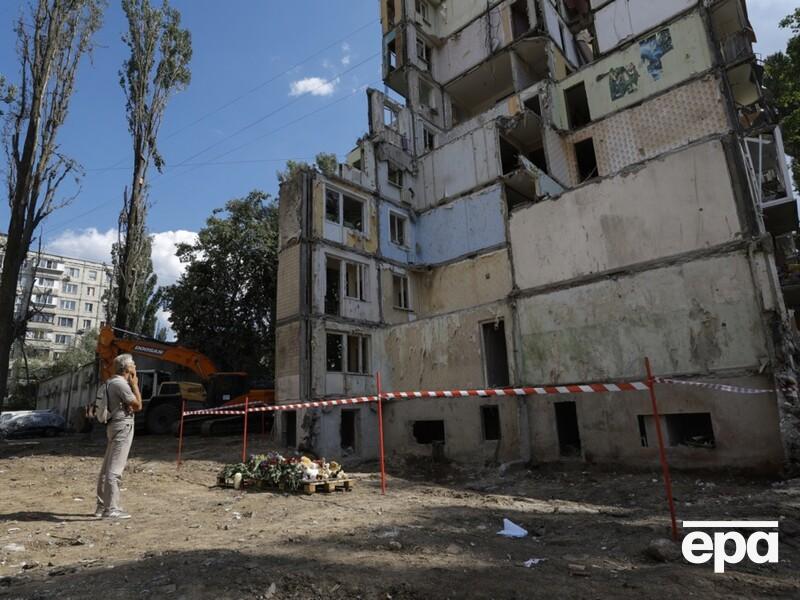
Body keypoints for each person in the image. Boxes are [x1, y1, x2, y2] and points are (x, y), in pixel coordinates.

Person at [95, 354, 142, 519]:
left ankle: (101, 506)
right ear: (127, 368)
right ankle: (111, 509)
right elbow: (137, 405)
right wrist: (135, 385)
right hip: (123, 426)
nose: (135, 367)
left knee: (107, 466)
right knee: (115, 469)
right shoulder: (122, 384)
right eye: (133, 364)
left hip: (113, 425)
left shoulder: (110, 382)